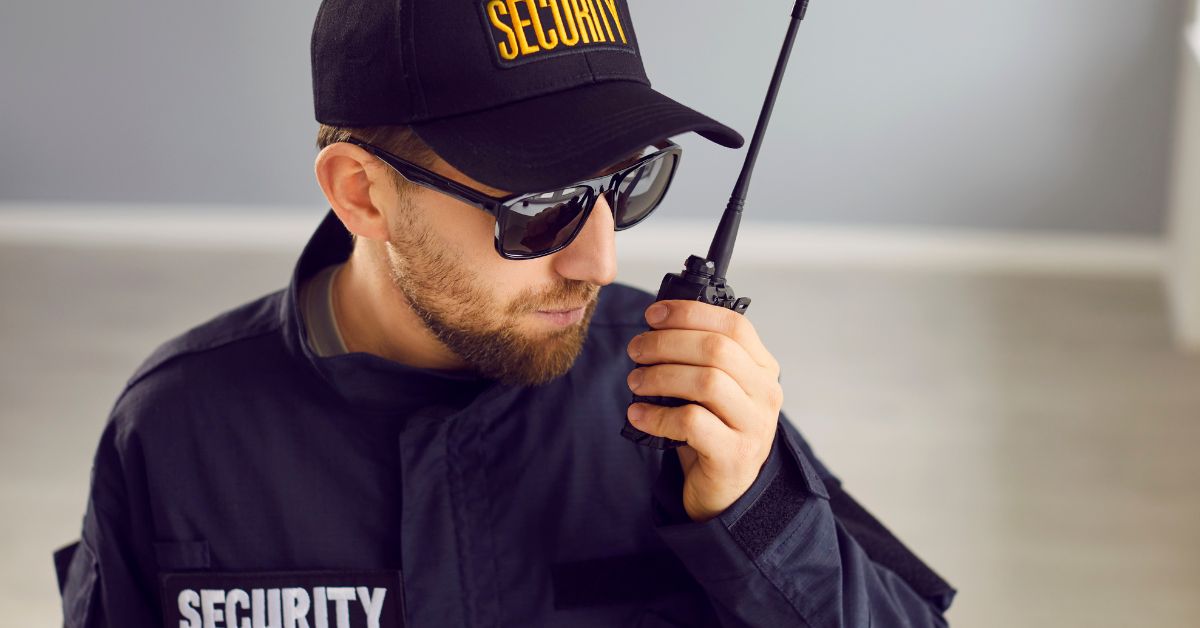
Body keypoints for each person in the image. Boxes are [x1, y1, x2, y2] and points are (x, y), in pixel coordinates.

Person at [54, 0, 958, 626]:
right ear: (361, 194)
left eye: (626, 182)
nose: (601, 259)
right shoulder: (177, 430)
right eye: (539, 205)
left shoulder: (685, 399)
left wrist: (756, 515)